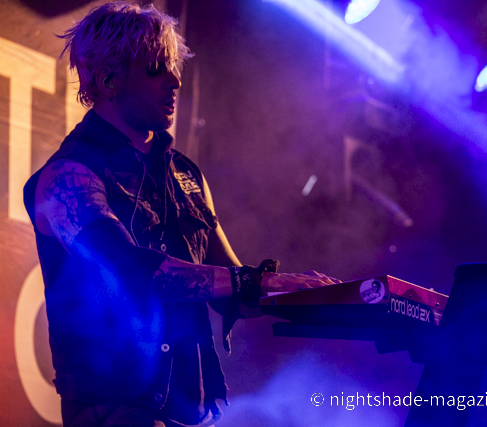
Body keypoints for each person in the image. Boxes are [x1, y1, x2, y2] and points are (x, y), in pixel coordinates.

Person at [23, 2, 339, 426]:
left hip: (198, 410)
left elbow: (233, 288)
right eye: (155, 69)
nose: (174, 80)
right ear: (109, 80)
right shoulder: (69, 175)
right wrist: (253, 281)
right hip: (119, 411)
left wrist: (322, 297)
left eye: (172, 67)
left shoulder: (186, 174)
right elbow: (131, 273)